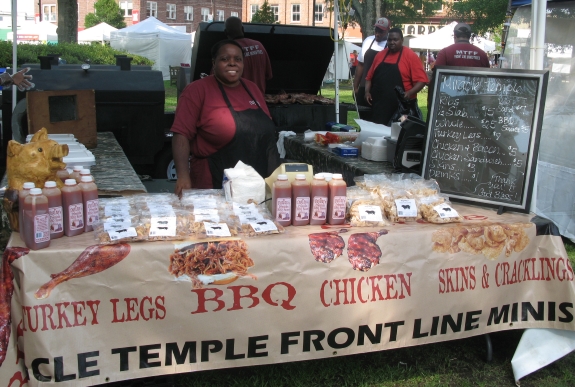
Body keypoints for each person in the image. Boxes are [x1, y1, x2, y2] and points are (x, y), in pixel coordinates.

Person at [171, 40, 280, 195]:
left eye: (237, 59)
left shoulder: (252, 89)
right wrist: (182, 176)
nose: (232, 63)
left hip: (255, 184)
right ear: (214, 63)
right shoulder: (196, 91)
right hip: (213, 183)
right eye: (225, 59)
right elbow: (181, 135)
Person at [364, 28, 428, 126]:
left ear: (402, 40)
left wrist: (410, 93)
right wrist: (367, 92)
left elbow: (422, 80)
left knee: (396, 136)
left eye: (395, 40)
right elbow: (369, 77)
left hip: (401, 108)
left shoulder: (410, 56)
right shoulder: (380, 55)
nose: (392, 42)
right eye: (390, 40)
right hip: (380, 106)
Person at [428, 23, 490, 115]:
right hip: (474, 100)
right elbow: (487, 79)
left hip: (451, 100)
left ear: (455, 35)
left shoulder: (445, 52)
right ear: (469, 36)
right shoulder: (482, 54)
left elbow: (437, 79)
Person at [224, 16, 272, 94]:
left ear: (225, 32)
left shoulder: (225, 52)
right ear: (242, 29)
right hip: (259, 101)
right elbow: (268, 75)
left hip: (238, 103)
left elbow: (215, 82)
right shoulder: (259, 46)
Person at [353, 17, 390, 115]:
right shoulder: (368, 41)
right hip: (364, 86)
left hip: (380, 89)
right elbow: (361, 65)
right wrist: (355, 87)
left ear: (387, 31)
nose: (378, 34)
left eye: (381, 32)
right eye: (376, 30)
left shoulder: (390, 44)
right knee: (362, 117)